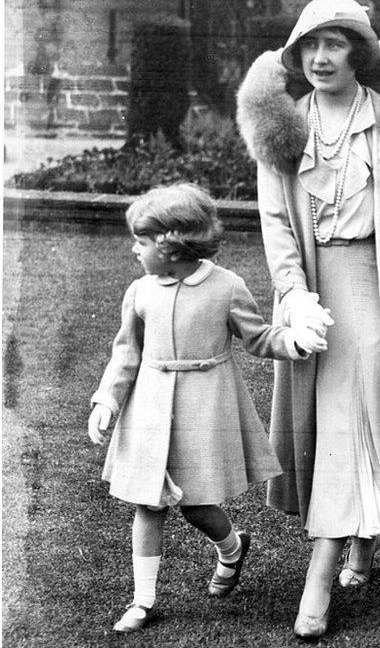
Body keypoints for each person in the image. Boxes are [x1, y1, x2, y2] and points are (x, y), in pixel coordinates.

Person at [235, 0, 380, 639]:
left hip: (375, 291)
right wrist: (293, 296)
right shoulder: (284, 127)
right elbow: (276, 224)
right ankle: (361, 542)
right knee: (333, 426)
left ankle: (319, 579)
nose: (322, 57)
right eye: (311, 46)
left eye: (336, 43)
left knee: (357, 416)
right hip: (314, 294)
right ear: (297, 55)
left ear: (359, 51)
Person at [87, 183, 327, 633]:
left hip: (205, 406)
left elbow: (257, 336)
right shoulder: (140, 291)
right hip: (150, 408)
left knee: (198, 506)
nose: (134, 250)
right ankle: (143, 599)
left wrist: (293, 341)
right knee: (148, 503)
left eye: (141, 242)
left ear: (171, 244)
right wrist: (107, 401)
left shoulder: (226, 286)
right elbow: (126, 354)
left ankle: (233, 548)